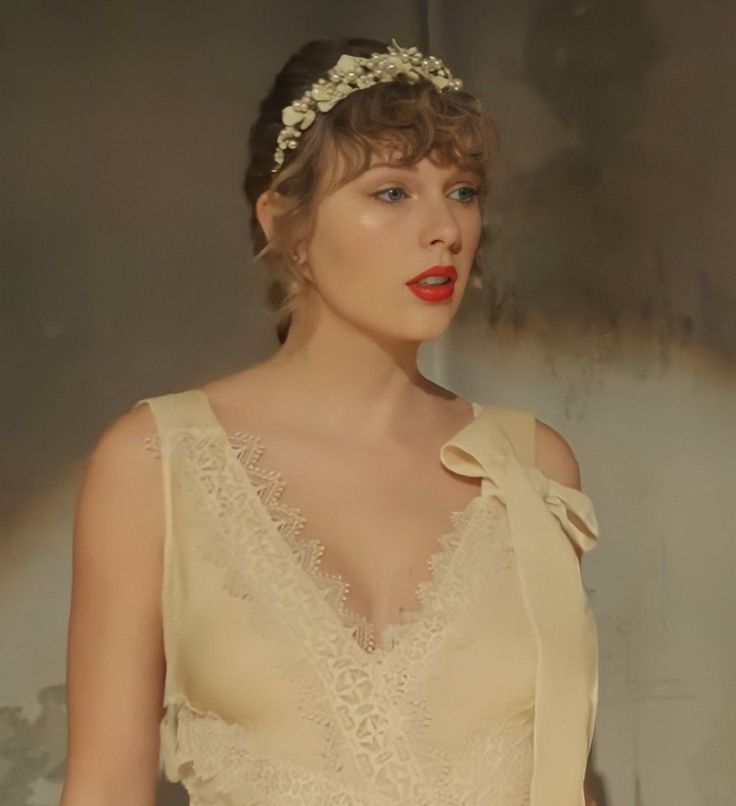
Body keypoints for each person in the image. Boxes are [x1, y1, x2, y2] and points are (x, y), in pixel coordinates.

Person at [60, 37, 600, 806]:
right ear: (285, 222)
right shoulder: (154, 462)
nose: (444, 228)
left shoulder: (533, 469)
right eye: (391, 193)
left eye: (463, 191)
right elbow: (105, 789)